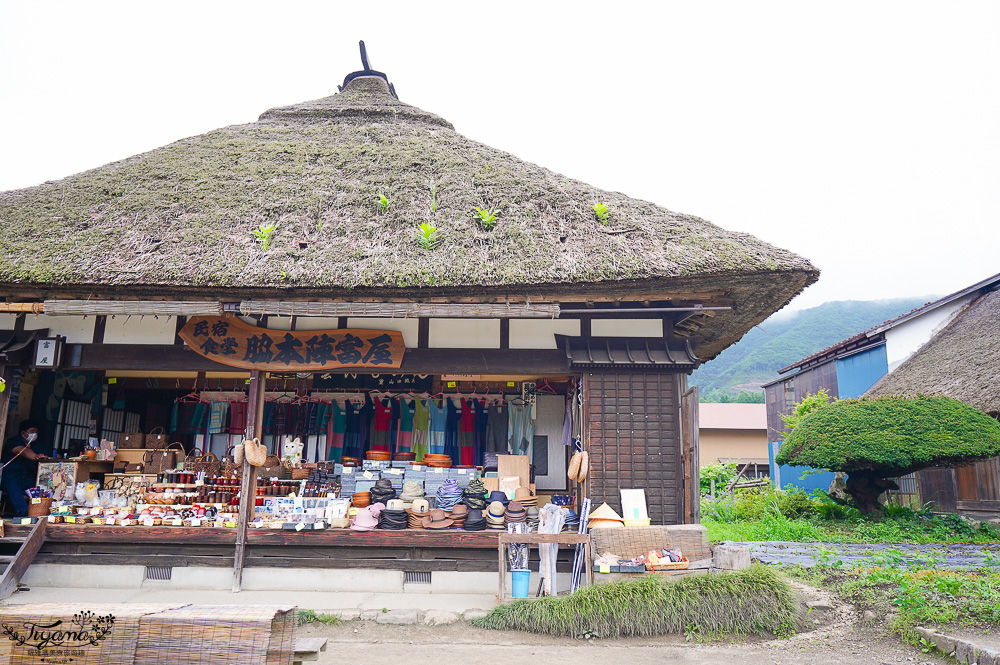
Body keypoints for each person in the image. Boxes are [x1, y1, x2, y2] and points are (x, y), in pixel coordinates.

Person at [2, 419, 48, 516]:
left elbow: (44, 455)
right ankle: (24, 513)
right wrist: (36, 457)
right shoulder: (13, 442)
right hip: (12, 476)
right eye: (32, 432)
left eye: (36, 432)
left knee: (41, 487)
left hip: (27, 477)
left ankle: (40, 512)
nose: (34, 434)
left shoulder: (36, 445)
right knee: (14, 486)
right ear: (23, 433)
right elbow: (23, 451)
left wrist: (44, 457)